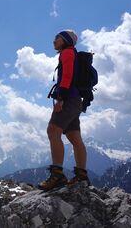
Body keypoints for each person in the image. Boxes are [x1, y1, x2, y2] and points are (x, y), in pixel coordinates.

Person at [38, 30, 91, 191]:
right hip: (76, 101)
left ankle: (57, 175)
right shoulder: (72, 53)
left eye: (57, 38)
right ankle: (81, 175)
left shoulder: (67, 53)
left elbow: (67, 76)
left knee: (53, 131)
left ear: (66, 40)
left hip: (68, 99)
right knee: (74, 136)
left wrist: (61, 98)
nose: (54, 40)